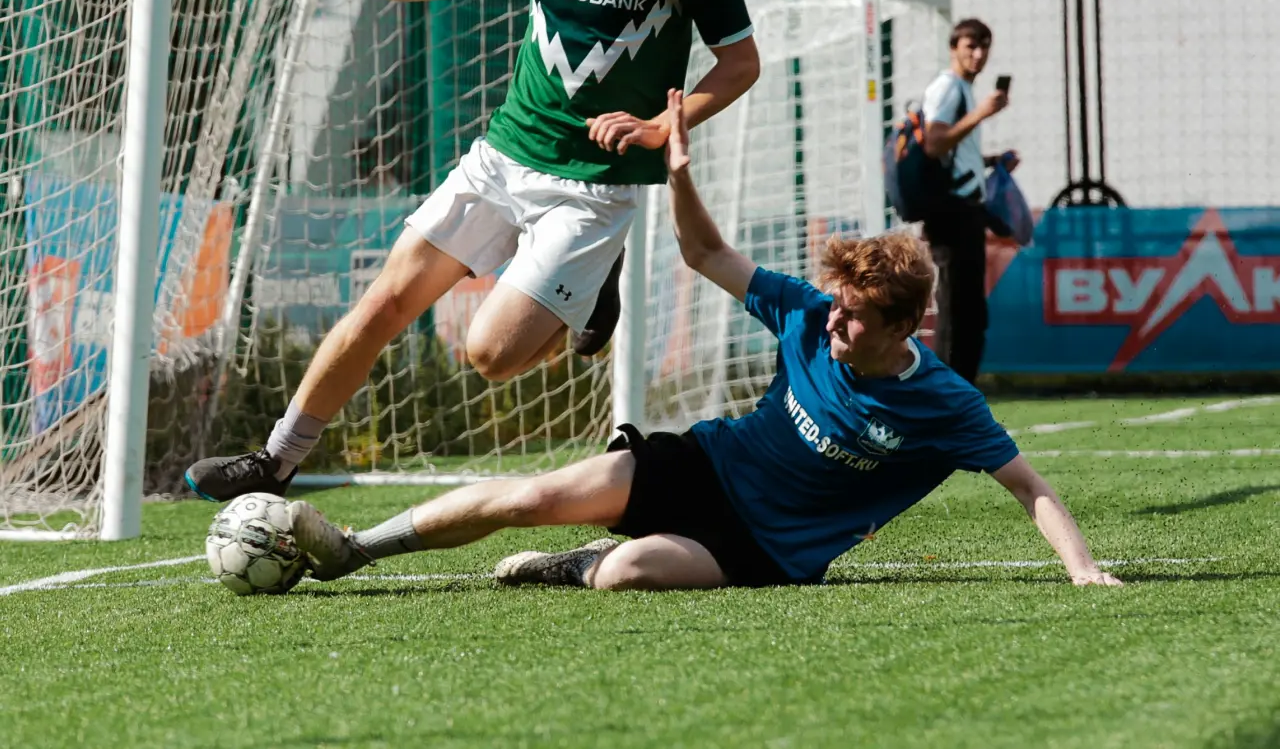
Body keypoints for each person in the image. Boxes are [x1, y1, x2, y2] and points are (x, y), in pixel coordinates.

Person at [282, 88, 1121, 591]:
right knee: (525, 496)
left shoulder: (942, 400)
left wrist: (1082, 567)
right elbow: (706, 252)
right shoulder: (802, 312)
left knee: (625, 575)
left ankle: (572, 563)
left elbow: (1028, 485)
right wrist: (677, 171)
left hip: (764, 549)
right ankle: (356, 547)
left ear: (903, 326)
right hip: (700, 463)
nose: (834, 319)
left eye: (855, 314)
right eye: (835, 303)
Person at [185, 0, 760, 503]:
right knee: (386, 300)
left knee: (487, 354)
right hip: (503, 154)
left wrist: (660, 127)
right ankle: (275, 459)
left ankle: (587, 291)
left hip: (594, 186)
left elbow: (740, 63)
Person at [920, 18, 1019, 385]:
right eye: (970, 46)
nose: (978, 54)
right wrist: (982, 113)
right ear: (954, 48)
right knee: (957, 312)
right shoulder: (948, 87)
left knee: (970, 314)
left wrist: (993, 161)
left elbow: (954, 153)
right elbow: (934, 142)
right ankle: (947, 395)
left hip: (965, 212)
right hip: (952, 213)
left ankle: (957, 394)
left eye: (984, 47)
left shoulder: (961, 89)